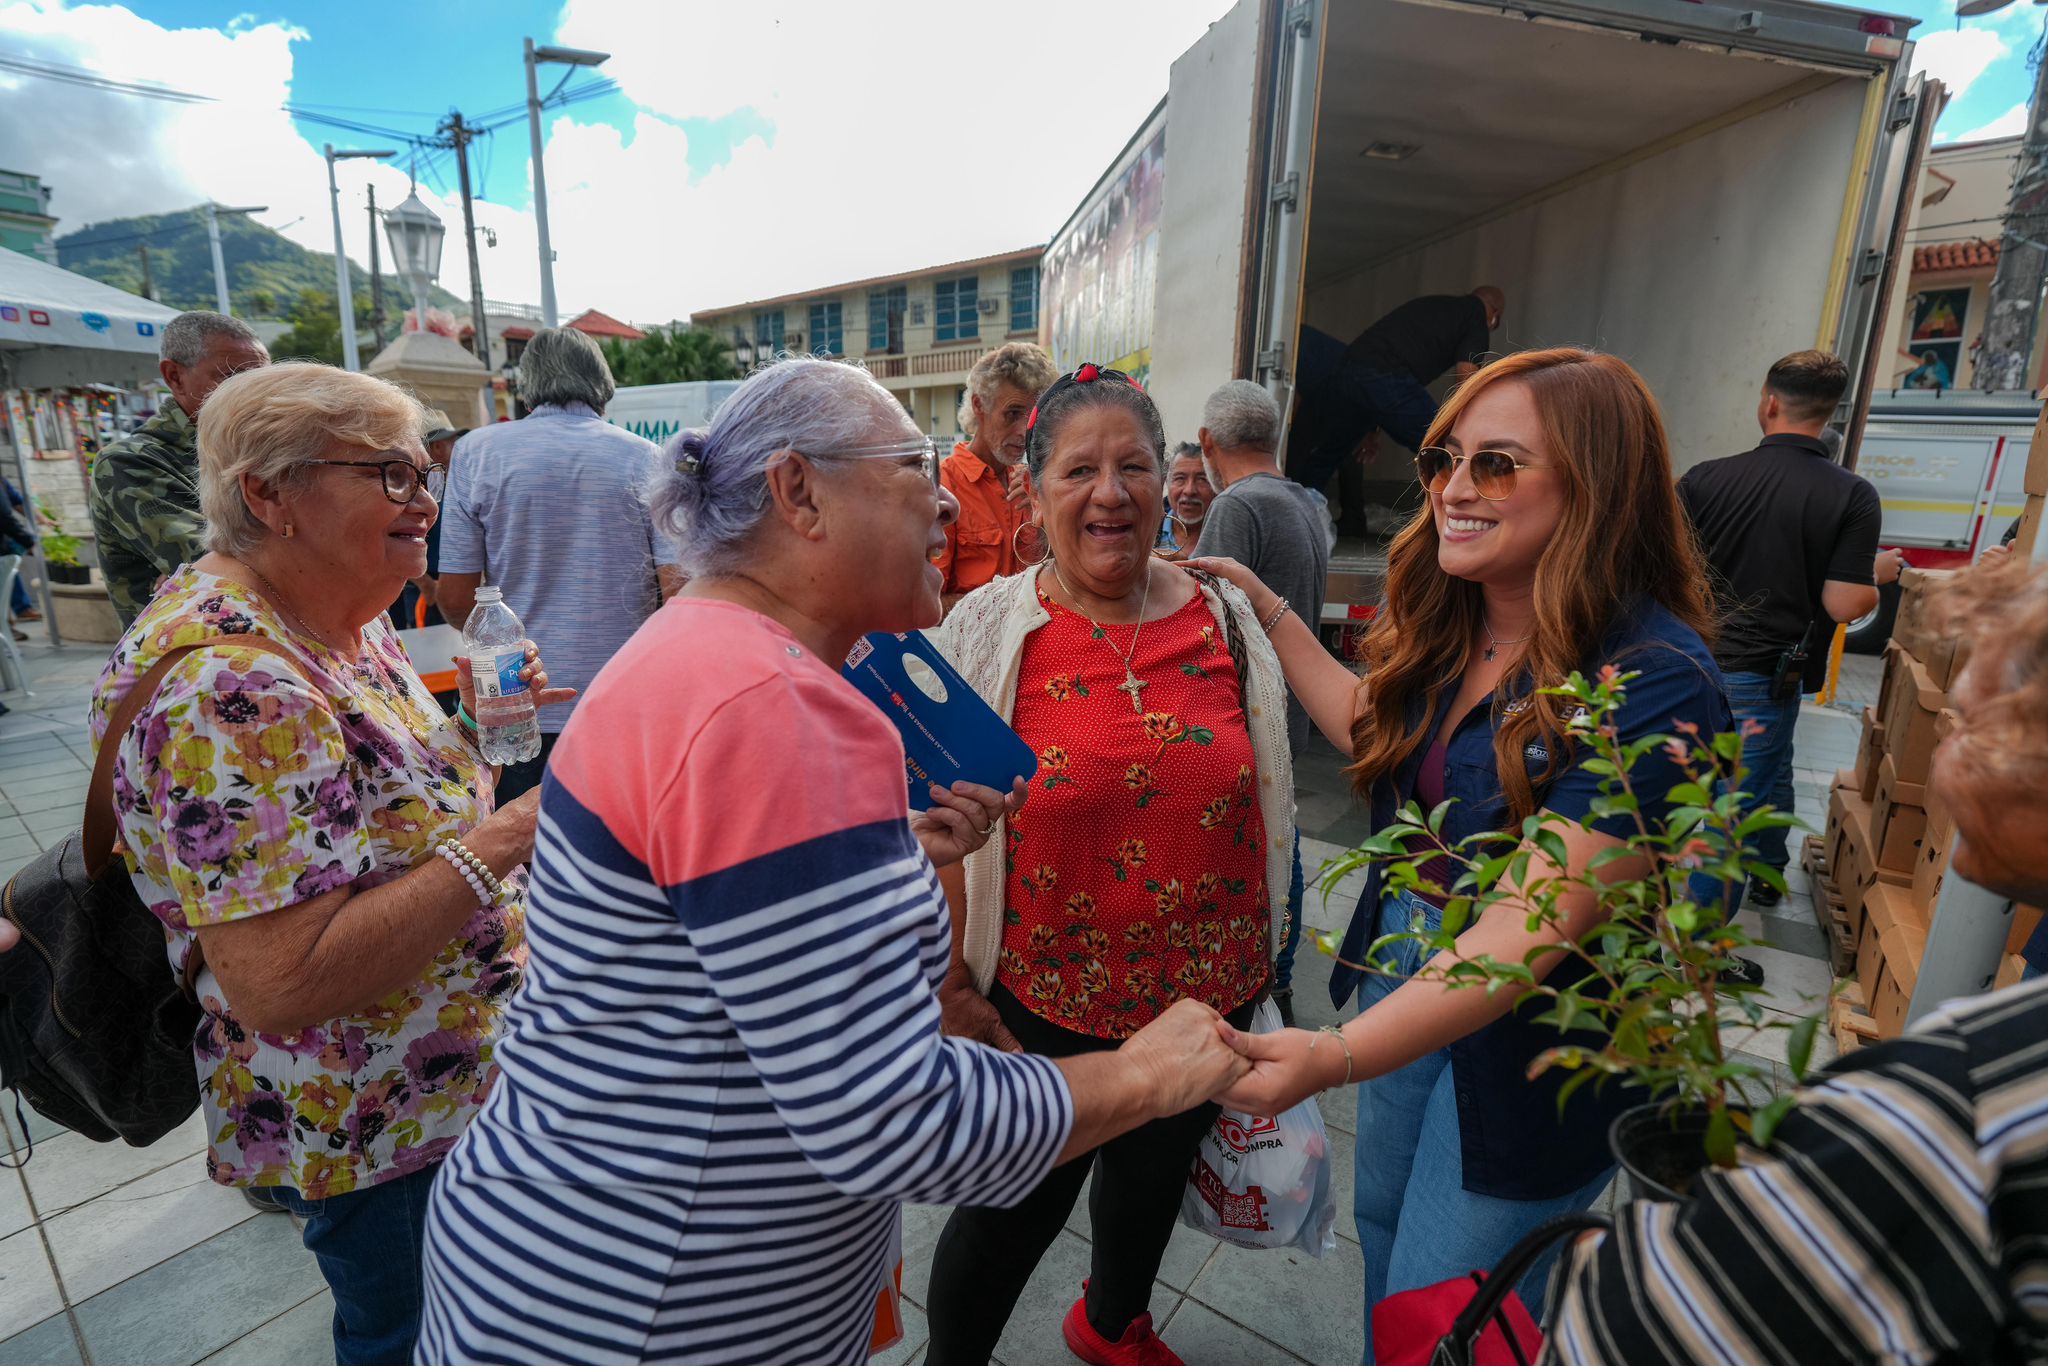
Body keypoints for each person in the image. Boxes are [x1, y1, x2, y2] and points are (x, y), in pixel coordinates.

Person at [414, 357, 1248, 1366]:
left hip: (568, 1266)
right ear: (797, 491)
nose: (946, 496)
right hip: (656, 1308)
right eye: (907, 465)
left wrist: (888, 854)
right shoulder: (778, 708)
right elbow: (891, 1117)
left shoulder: (698, 647)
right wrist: (1139, 1074)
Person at [1191, 347, 1730, 1357]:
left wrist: (1331, 1055)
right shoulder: (1460, 617)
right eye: (1443, 459)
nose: (1449, 489)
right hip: (1409, 963)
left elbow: (1528, 926)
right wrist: (1263, 610)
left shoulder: (1654, 676)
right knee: (1387, 1246)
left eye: (1495, 464)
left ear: (1593, 484)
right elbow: (1374, 733)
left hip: (1535, 1036)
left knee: (1455, 1300)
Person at [90, 362, 571, 1365]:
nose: (426, 498)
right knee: (415, 1339)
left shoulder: (341, 615)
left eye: (422, 469)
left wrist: (478, 732)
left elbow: (365, 806)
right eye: (388, 475)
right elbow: (282, 980)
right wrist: (511, 834)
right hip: (379, 1124)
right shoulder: (235, 681)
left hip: (436, 1083)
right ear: (267, 495)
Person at [1539, 558, 2048, 1365]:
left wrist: (1595, 1270)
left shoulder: (1965, 1102)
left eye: (1973, 727)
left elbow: (1638, 1331)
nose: (1945, 751)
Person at [922, 363, 1294, 1366]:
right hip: (1042, 1003)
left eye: (1134, 464)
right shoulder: (986, 631)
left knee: (1147, 1187)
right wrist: (953, 984)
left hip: (1202, 995)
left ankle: (1110, 1321)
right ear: (1030, 494)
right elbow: (941, 827)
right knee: (1007, 1217)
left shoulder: (1223, 617)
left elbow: (1265, 791)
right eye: (1079, 469)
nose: (1112, 490)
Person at [1677, 350, 1899, 913]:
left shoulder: (1704, 478)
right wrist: (1875, 577)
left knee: (1683, 787)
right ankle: (1700, 954)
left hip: (1687, 664)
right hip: (1764, 676)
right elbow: (1845, 603)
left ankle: (1768, 871)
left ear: (1769, 403)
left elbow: (1665, 572)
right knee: (1729, 812)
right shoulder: (1851, 494)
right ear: (1830, 414)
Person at [436, 327, 682, 801]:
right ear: (602, 388)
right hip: (623, 708)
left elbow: (454, 597)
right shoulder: (646, 458)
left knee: (518, 864)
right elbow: (676, 595)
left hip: (516, 707)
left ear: (527, 388)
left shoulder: (477, 453)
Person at [1193, 379, 1329, 1025]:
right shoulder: (1306, 501)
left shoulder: (1238, 507)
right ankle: (1281, 974)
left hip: (1245, 705)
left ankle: (1271, 973)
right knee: (1285, 830)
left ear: (1208, 442)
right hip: (1296, 700)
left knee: (1271, 843)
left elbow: (1200, 612)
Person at [89, 311, 270, 625]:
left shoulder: (256, 448)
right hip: (187, 657)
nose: (252, 394)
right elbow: (223, 565)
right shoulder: (130, 462)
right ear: (174, 376)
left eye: (261, 381)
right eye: (232, 377)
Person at [1289, 287, 1504, 535]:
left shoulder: (1436, 303)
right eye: (1494, 324)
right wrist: (1470, 426)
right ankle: (1459, 523)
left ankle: (1295, 522)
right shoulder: (1475, 315)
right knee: (1441, 448)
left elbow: (1376, 386)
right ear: (1494, 315)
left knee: (1326, 452)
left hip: (1350, 369)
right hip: (1386, 376)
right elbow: (1466, 376)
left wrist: (1371, 428)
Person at [936, 341, 1060, 608]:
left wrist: (1046, 513)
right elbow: (928, 603)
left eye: (1032, 419)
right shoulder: (944, 486)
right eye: (1013, 414)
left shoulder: (1032, 484)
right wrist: (1007, 608)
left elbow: (1060, 576)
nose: (1023, 432)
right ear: (979, 405)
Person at [387, 411, 462, 632]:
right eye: (452, 443)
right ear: (438, 447)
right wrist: (426, 584)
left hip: (445, 584)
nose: (456, 448)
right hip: (427, 586)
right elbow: (398, 538)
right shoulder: (415, 487)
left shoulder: (445, 482)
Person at [1155, 440, 1216, 556]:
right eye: (1180, 478)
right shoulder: (1146, 532)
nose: (1189, 490)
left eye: (1202, 479)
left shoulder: (1228, 535)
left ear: (1217, 485)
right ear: (1166, 482)